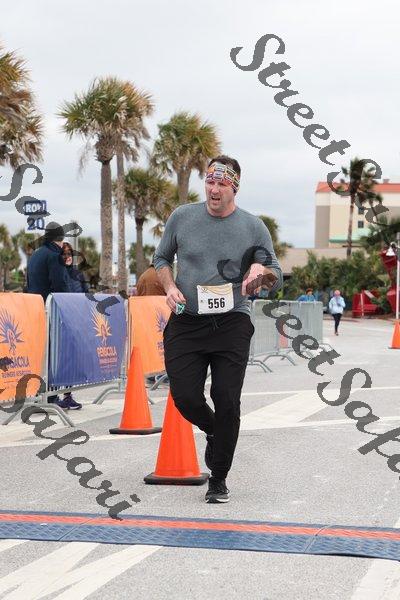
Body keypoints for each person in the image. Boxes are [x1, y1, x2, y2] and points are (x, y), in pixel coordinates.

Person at [154, 155, 282, 504]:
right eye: (210, 182)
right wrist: (169, 286)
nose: (213, 189)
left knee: (226, 398)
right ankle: (215, 430)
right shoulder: (183, 217)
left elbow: (276, 274)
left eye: (222, 184)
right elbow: (161, 259)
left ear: (234, 187)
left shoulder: (253, 227)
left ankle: (219, 477)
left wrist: (261, 274)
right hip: (187, 319)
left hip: (231, 321)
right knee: (185, 397)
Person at [136, 264, 169, 386]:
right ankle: (162, 376)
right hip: (160, 316)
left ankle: (150, 376)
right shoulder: (161, 275)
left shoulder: (143, 276)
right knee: (162, 346)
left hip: (145, 317)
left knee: (150, 346)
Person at [27, 221, 70, 301]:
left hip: (33, 303)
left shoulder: (34, 255)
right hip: (48, 305)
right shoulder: (55, 256)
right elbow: (60, 285)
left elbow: (29, 283)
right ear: (61, 238)